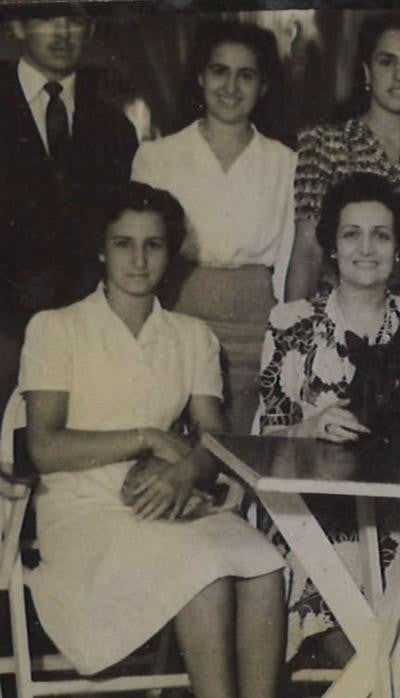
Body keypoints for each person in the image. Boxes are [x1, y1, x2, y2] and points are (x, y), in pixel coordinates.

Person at [18, 181, 285, 698]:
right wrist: (148, 437)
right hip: (82, 513)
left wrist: (185, 471)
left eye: (154, 244)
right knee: (202, 569)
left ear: (171, 252)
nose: (139, 260)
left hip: (171, 501)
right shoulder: (57, 328)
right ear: (101, 249)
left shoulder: (191, 336)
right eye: (123, 243)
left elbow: (212, 439)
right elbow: (43, 447)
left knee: (264, 564)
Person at [256, 173, 400, 662]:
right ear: (331, 247)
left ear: (398, 248)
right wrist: (308, 428)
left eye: (381, 235)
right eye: (352, 234)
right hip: (306, 513)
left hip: (398, 516)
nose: (367, 248)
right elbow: (262, 443)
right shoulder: (291, 323)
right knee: (339, 573)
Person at [131, 20, 295, 434]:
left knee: (243, 452)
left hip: (255, 329)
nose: (231, 87)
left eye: (247, 75)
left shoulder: (285, 163)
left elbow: (291, 260)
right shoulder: (157, 158)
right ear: (201, 76)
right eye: (220, 71)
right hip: (178, 315)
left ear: (264, 86)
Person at [286, 12, 400, 320]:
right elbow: (307, 253)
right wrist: (294, 331)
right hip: (334, 326)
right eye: (387, 61)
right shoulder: (321, 144)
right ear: (367, 73)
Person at [0, 9, 139, 409]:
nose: (62, 32)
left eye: (74, 19)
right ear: (17, 24)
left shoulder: (114, 126)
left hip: (84, 334)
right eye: (46, 16)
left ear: (92, 28)